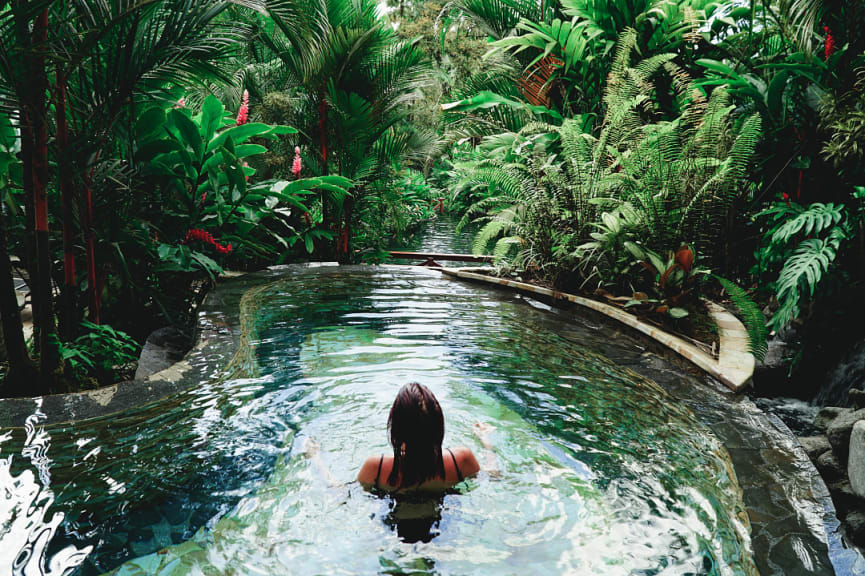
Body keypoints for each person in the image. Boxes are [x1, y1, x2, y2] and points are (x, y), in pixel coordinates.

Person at [357, 382, 486, 492]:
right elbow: (493, 476)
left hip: (394, 518)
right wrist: (485, 440)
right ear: (438, 427)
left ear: (397, 430)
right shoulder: (461, 460)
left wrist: (335, 480)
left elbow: (346, 495)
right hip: (447, 519)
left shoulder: (376, 469)